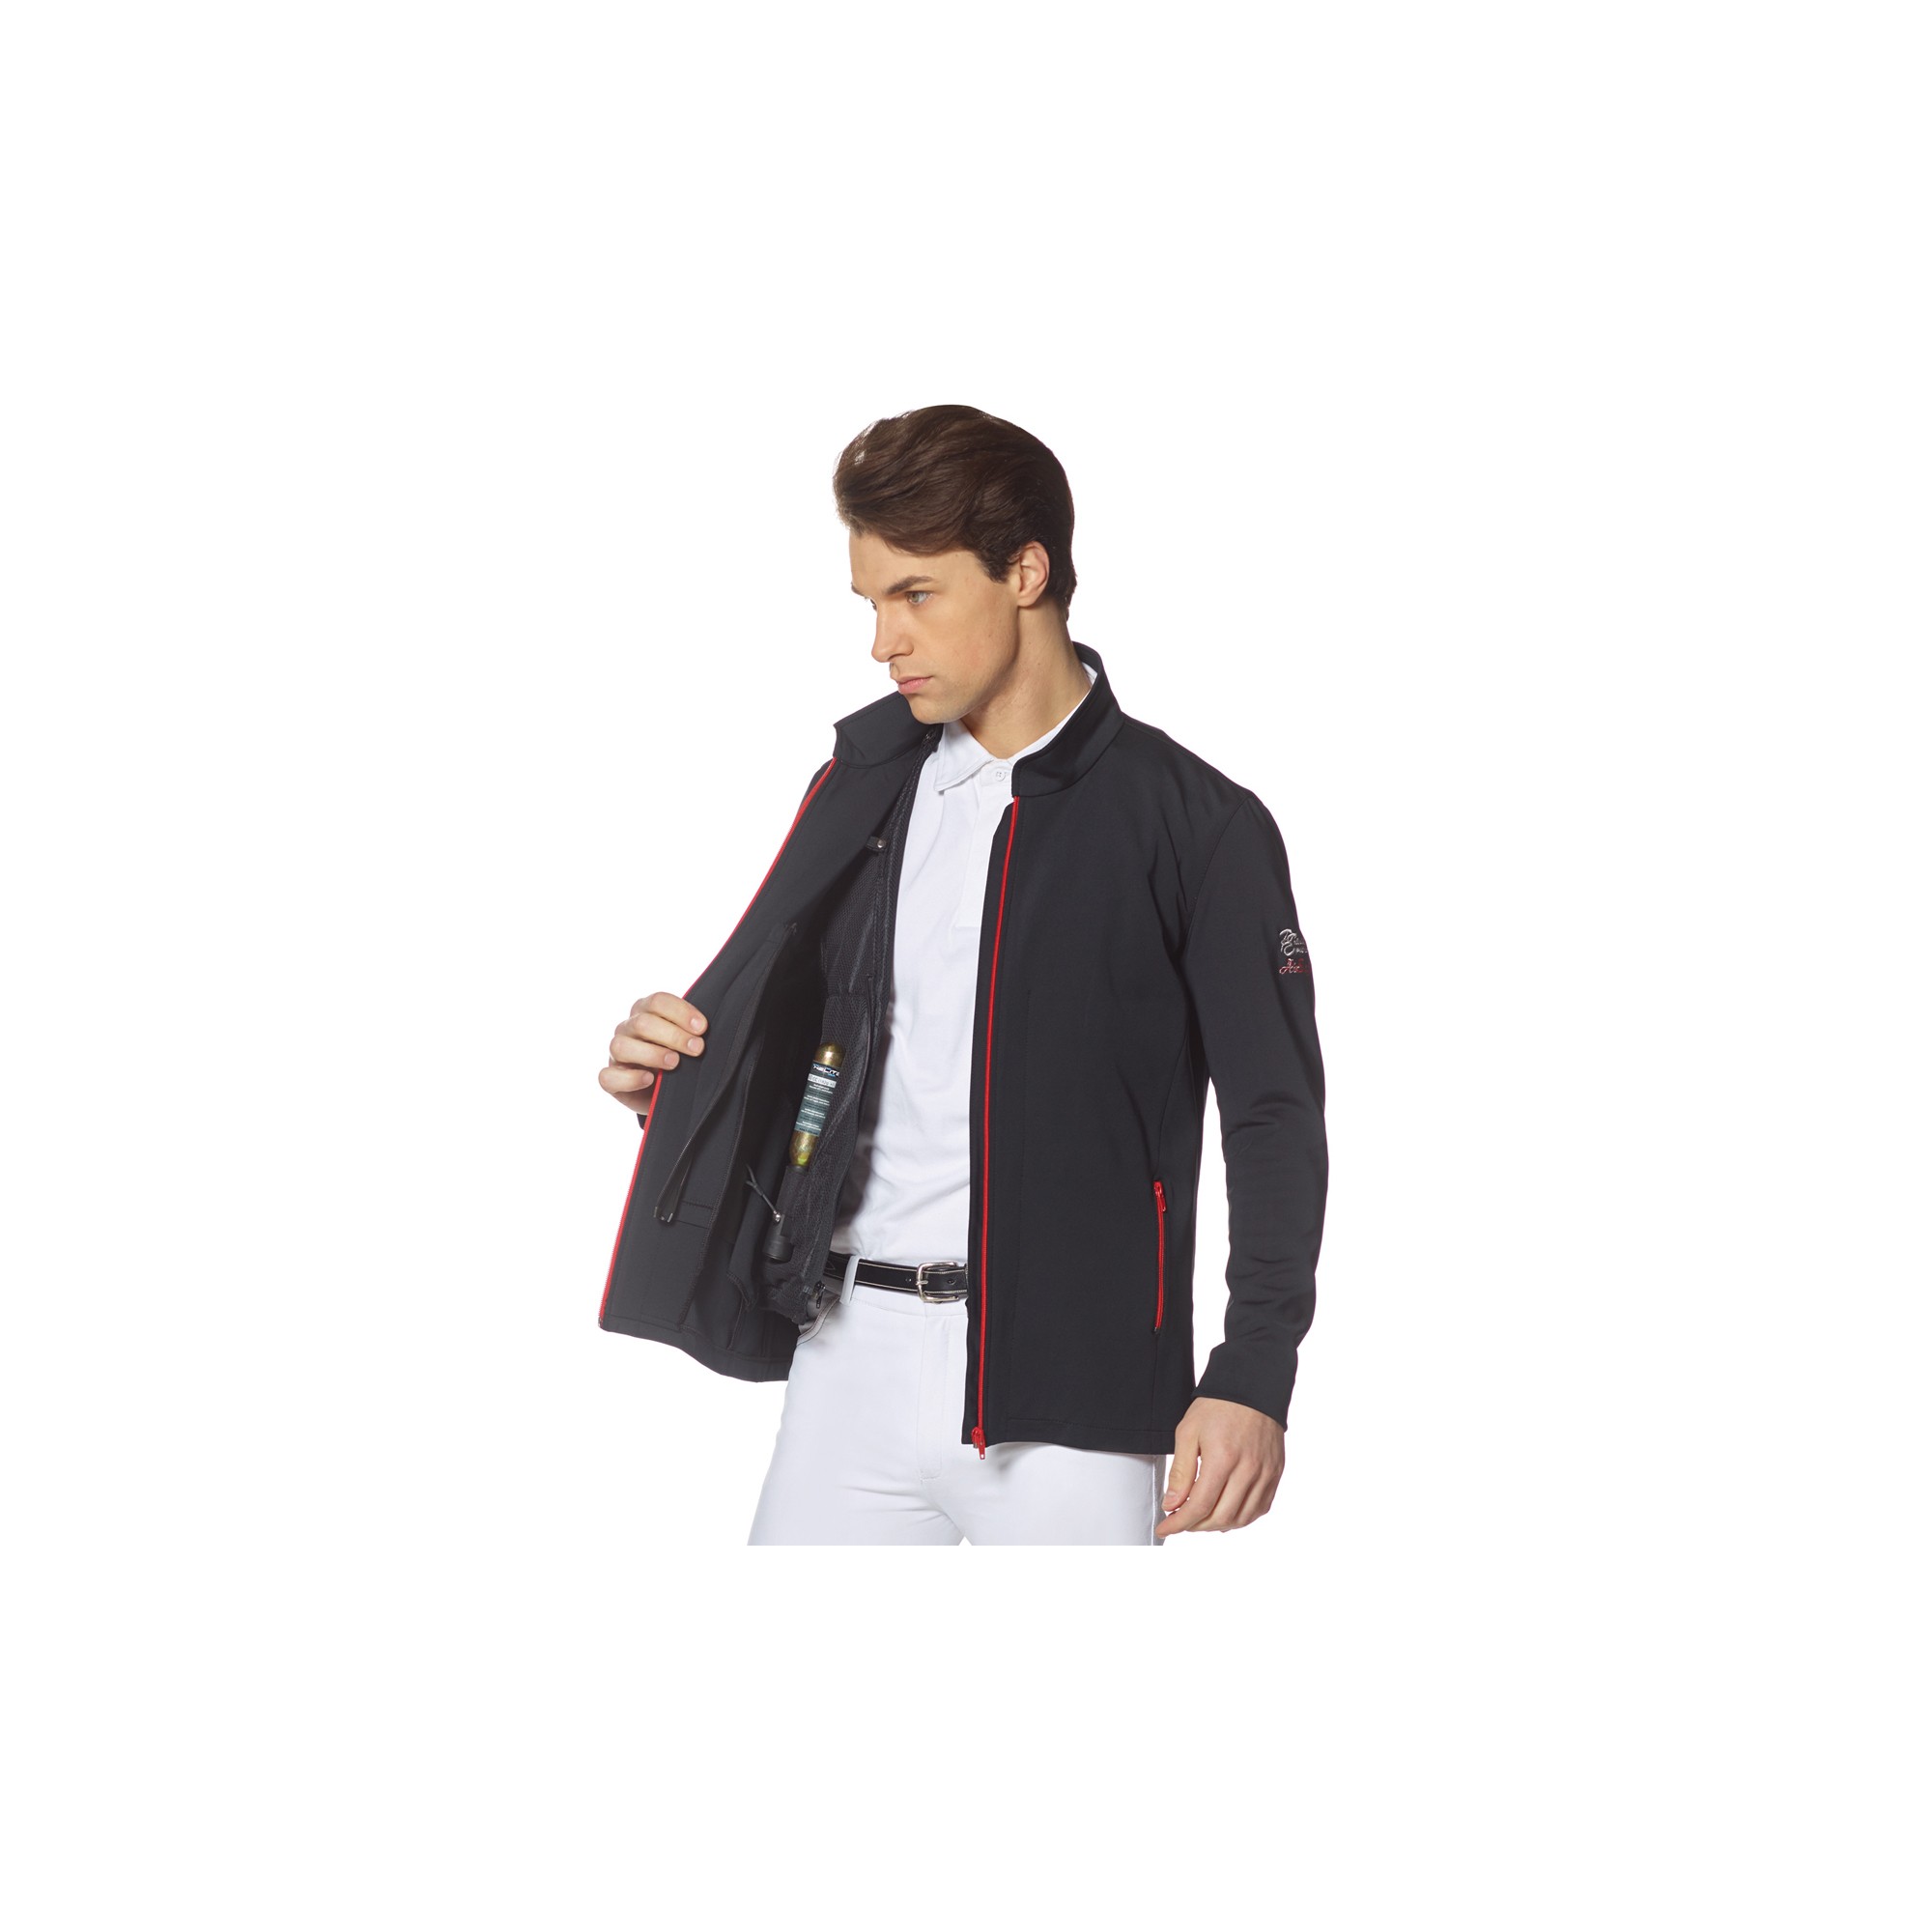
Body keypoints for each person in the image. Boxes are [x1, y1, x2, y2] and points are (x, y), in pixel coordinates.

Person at [597, 404, 1327, 1545]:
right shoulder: (863, 786)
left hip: (1072, 1387)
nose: (881, 642)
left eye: (915, 594)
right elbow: (827, 1052)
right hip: (845, 1356)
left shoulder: (1195, 823)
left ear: (1025, 572)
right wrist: (686, 1080)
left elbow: (1272, 1115)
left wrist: (1252, 1370)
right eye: (870, 603)